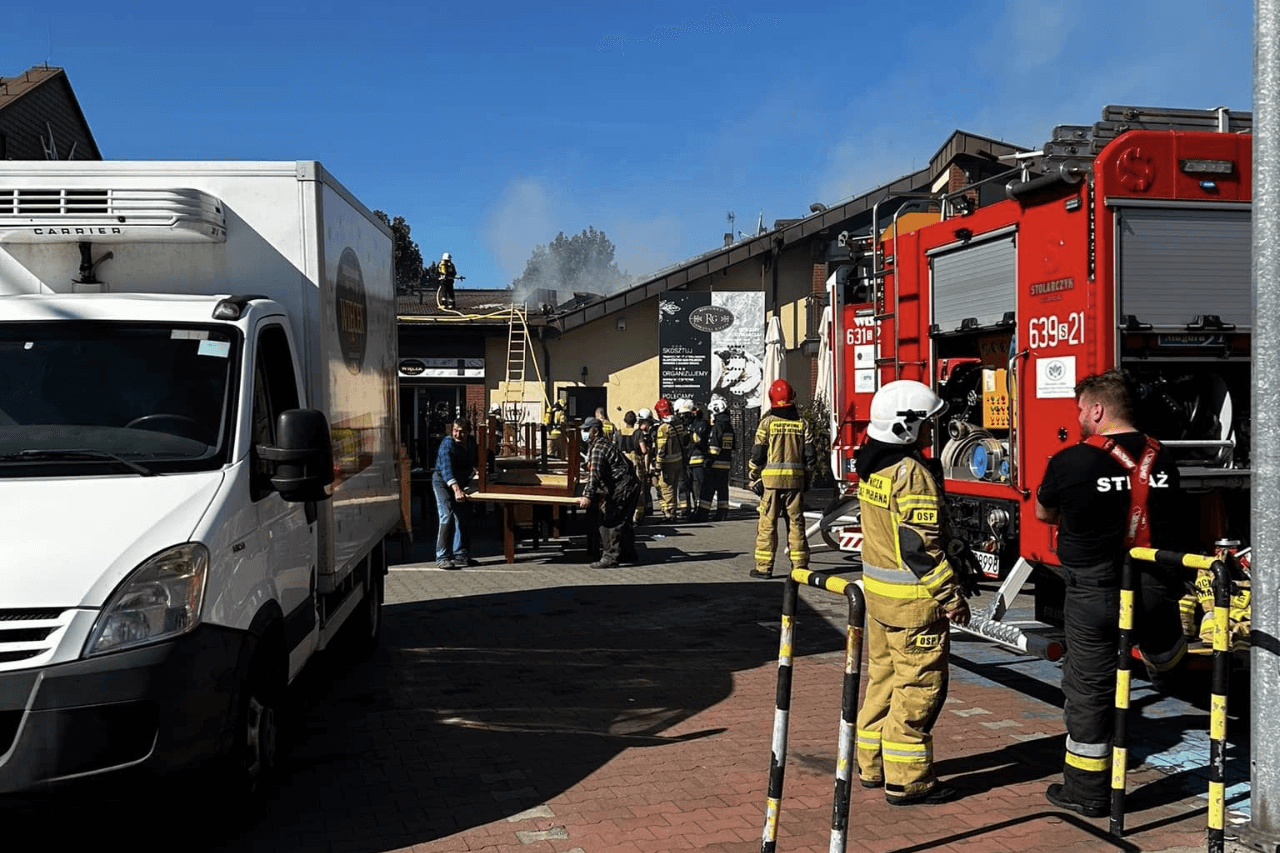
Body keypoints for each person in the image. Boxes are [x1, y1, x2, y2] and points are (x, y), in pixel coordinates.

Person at [1035, 369, 1187, 818]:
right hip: (1155, 588)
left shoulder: (1070, 461)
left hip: (1095, 594)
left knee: (1088, 690)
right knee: (1165, 644)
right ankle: (1166, 664)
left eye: (1082, 409)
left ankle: (1087, 792)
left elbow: (1045, 512)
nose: (1079, 416)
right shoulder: (1164, 458)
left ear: (1098, 410)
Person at [854, 379, 972, 806]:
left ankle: (871, 764)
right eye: (926, 423)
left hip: (880, 602)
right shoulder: (911, 475)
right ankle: (908, 780)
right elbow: (919, 548)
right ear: (906, 426)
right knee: (918, 688)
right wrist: (952, 597)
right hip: (913, 607)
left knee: (882, 682)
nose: (931, 430)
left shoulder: (874, 466)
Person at [747, 379, 815, 579]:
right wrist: (808, 479)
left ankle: (764, 568)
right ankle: (800, 567)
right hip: (795, 483)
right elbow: (810, 457)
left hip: (771, 485)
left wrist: (753, 475)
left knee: (767, 525)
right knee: (796, 523)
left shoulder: (767, 424)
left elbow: (758, 456)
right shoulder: (802, 424)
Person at [577, 416, 641, 568]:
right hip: (630, 485)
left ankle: (610, 557)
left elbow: (595, 475)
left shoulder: (598, 448)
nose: (584, 433)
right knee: (624, 521)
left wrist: (587, 496)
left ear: (595, 431)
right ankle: (628, 553)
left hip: (624, 487)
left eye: (587, 430)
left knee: (609, 521)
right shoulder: (603, 444)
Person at [432, 417, 478, 570]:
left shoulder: (471, 443)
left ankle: (460, 555)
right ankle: (442, 557)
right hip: (443, 482)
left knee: (463, 515)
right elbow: (446, 469)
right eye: (455, 431)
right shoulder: (448, 444)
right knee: (447, 515)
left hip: (462, 482)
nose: (457, 434)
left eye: (461, 432)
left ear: (468, 432)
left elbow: (477, 462)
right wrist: (456, 489)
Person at [700, 397, 734, 521]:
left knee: (708, 489)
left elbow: (715, 445)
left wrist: (709, 460)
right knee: (722, 489)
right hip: (726, 463)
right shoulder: (729, 426)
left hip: (715, 464)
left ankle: (703, 513)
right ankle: (722, 513)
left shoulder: (718, 426)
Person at [653, 398, 684, 521]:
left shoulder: (664, 428)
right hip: (679, 460)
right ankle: (673, 511)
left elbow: (661, 449)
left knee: (666, 487)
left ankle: (669, 514)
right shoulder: (679, 423)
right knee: (674, 486)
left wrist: (658, 466)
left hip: (668, 463)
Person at [686, 401, 710, 521]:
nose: (693, 412)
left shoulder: (703, 424)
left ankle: (699, 510)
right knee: (691, 487)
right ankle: (692, 509)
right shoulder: (691, 423)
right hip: (689, 461)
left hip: (698, 461)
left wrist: (693, 434)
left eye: (695, 410)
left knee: (698, 487)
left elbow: (700, 441)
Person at [633, 408, 656, 523]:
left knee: (646, 487)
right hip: (643, 463)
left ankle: (648, 508)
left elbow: (647, 452)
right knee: (644, 487)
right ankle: (646, 509)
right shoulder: (640, 434)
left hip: (647, 463)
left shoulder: (648, 434)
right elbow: (645, 452)